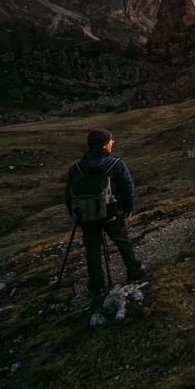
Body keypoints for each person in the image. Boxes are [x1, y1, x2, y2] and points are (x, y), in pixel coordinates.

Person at [65, 128, 146, 300]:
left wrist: (76, 216)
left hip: (86, 216)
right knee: (123, 241)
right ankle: (134, 270)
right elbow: (127, 187)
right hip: (111, 214)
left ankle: (96, 285)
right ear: (104, 145)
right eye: (111, 141)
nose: (113, 143)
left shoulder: (76, 168)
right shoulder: (116, 164)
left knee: (92, 250)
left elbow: (69, 194)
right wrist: (128, 208)